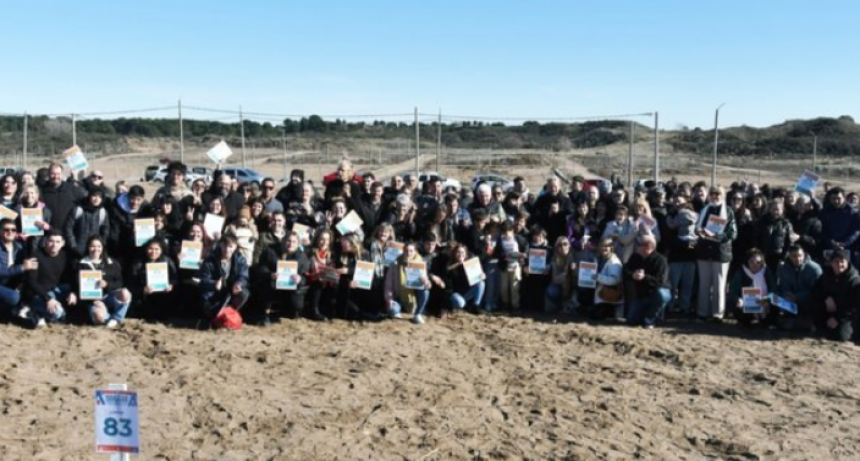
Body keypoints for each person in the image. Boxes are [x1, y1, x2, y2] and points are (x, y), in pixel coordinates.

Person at [695, 186, 737, 322]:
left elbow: (733, 233)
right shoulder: (704, 210)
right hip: (704, 252)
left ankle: (717, 314)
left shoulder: (728, 211)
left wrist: (717, 237)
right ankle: (702, 312)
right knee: (704, 284)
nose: (715, 196)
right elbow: (698, 227)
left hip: (721, 253)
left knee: (719, 285)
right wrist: (699, 232)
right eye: (712, 193)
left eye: (718, 193)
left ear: (723, 195)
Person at [75, 236, 131, 328]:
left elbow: (119, 282)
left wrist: (107, 284)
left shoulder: (112, 262)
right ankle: (108, 316)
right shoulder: (81, 264)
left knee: (125, 293)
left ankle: (116, 318)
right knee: (99, 318)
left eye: (99, 246)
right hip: (92, 299)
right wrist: (93, 300)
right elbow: (77, 286)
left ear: (103, 247)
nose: (96, 249)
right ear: (88, 247)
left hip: (110, 296)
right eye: (92, 246)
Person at [23, 230, 74, 328]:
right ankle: (33, 311)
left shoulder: (65, 256)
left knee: (73, 292)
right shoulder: (35, 256)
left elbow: (71, 278)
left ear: (63, 243)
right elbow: (31, 282)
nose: (54, 244)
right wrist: (48, 298)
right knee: (58, 313)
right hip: (38, 294)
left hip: (55, 291)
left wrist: (74, 292)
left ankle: (42, 314)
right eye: (51, 241)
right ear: (45, 241)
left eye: (58, 242)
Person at [258, 231, 311, 324]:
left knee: (297, 306)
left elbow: (306, 276)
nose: (290, 244)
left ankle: (290, 311)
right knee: (267, 286)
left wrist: (300, 279)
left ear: (298, 244)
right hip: (273, 283)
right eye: (288, 241)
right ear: (283, 241)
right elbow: (261, 268)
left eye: (294, 242)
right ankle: (265, 314)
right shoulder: (270, 251)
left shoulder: (302, 257)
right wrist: (270, 274)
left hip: (292, 286)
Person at [812, 250, 860, 342]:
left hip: (845, 315)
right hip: (830, 310)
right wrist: (826, 298)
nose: (839, 264)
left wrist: (838, 319)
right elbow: (815, 291)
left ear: (847, 262)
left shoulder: (854, 280)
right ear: (831, 263)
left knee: (840, 336)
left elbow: (855, 306)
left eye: (842, 261)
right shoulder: (826, 275)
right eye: (836, 261)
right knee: (814, 303)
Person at [199, 234, 250, 320]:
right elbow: (203, 279)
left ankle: (228, 314)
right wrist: (214, 284)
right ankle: (214, 316)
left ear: (235, 247)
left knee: (244, 293)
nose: (227, 249)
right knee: (205, 297)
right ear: (220, 245)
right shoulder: (210, 260)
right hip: (214, 292)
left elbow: (243, 275)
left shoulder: (240, 259)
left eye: (230, 246)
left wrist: (239, 283)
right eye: (224, 245)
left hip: (231, 291)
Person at [624, 235, 670, 328]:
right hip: (642, 295)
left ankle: (650, 320)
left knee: (662, 294)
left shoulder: (661, 260)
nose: (637, 246)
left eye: (639, 244)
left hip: (656, 293)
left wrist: (644, 277)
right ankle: (648, 315)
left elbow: (660, 281)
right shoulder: (635, 257)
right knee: (632, 320)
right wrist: (632, 275)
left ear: (648, 247)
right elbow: (626, 270)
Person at [776, 245, 822, 330]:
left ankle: (808, 321)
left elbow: (817, 290)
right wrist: (788, 296)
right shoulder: (783, 269)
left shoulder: (814, 269)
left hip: (808, 301)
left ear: (804, 255)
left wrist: (798, 296)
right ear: (789, 256)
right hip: (792, 300)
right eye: (794, 256)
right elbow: (783, 287)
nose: (798, 259)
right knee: (776, 300)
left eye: (800, 256)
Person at [384, 241, 432, 324]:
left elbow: (427, 284)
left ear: (415, 251)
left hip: (413, 298)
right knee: (393, 310)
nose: (408, 253)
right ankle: (398, 309)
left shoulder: (420, 263)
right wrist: (389, 299)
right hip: (398, 296)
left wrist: (426, 282)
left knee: (426, 292)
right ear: (403, 250)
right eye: (406, 250)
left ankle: (417, 314)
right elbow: (388, 285)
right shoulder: (395, 263)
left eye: (411, 251)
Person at [728, 248, 777, 326]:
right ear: (747, 261)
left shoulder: (767, 271)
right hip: (746, 303)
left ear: (762, 263)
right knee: (737, 307)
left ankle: (765, 320)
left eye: (758, 262)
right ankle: (749, 319)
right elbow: (733, 291)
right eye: (751, 262)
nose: (755, 264)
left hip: (765, 304)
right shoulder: (741, 272)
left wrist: (768, 299)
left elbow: (774, 289)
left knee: (775, 304)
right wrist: (738, 299)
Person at [0, 218, 37, 316]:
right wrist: (22, 267)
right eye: (6, 230)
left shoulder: (19, 247)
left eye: (13, 230)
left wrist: (20, 285)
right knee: (13, 297)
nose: (10, 232)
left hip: (9, 284)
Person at [63, 188, 111, 259]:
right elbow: (68, 228)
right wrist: (73, 245)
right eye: (94, 196)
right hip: (77, 250)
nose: (97, 199)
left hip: (95, 251)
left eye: (100, 197)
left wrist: (100, 245)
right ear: (89, 196)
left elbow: (106, 230)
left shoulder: (103, 212)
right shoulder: (78, 209)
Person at [39, 163, 84, 230]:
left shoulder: (71, 188)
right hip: (49, 231)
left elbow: (85, 198)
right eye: (53, 174)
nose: (55, 176)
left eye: (58, 174)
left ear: (62, 175)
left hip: (69, 231)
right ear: (48, 174)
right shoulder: (42, 191)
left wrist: (75, 179)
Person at [445, 242, 485, 314]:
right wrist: (457, 264)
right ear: (454, 253)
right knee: (460, 303)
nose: (460, 254)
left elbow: (475, 279)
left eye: (463, 252)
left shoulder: (470, 264)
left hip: (465, 292)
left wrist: (481, 275)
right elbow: (447, 273)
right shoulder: (449, 263)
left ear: (466, 253)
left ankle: (476, 306)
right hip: (454, 293)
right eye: (458, 252)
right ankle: (454, 306)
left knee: (481, 283)